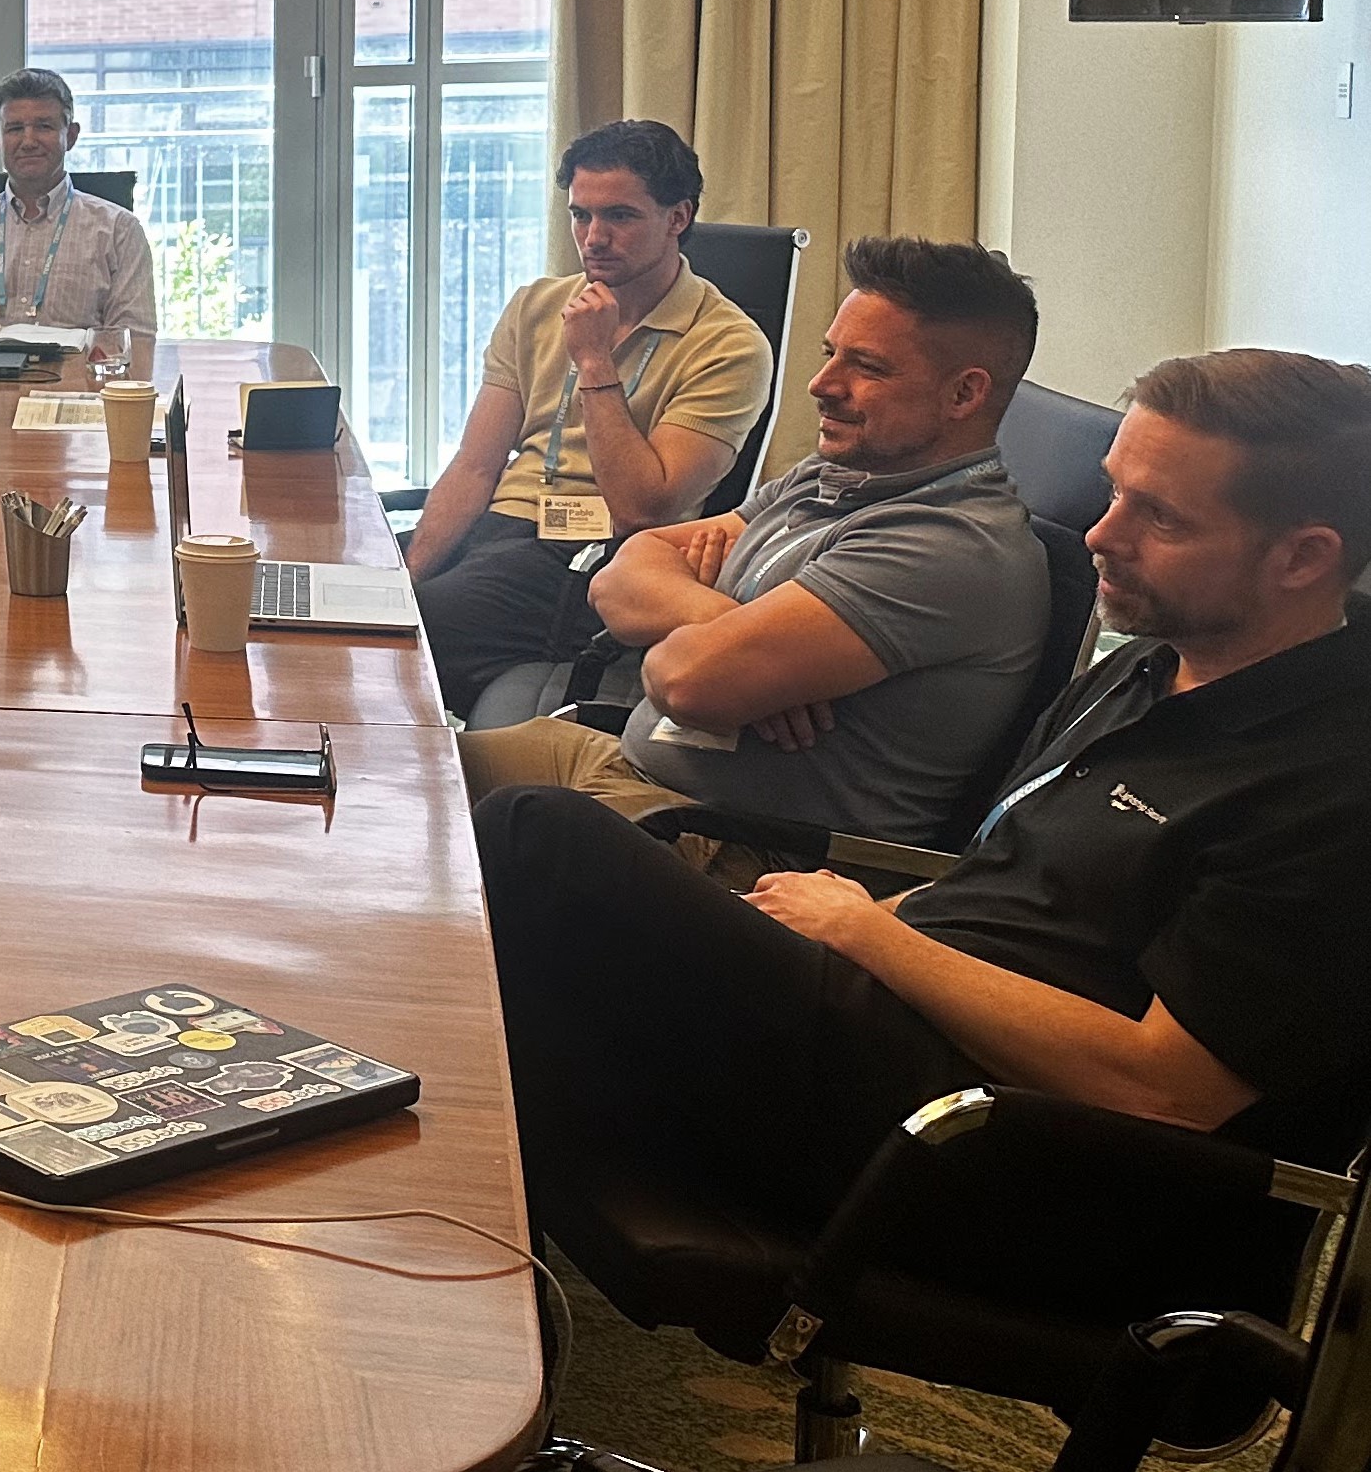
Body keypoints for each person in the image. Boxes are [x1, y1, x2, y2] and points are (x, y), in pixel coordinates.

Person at [480, 349, 1371, 1264]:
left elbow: (1164, 1095)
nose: (1102, 535)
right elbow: (998, 878)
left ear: (1303, 558)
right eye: (1113, 493)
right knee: (509, 999)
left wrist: (869, 934)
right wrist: (801, 933)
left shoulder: (1331, 793)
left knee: (537, 841)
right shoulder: (1154, 665)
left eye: (1161, 517)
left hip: (975, 1139)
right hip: (893, 1025)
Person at [459, 237, 1055, 863]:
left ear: (965, 394)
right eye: (830, 355)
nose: (822, 384)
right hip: (636, 770)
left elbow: (685, 681)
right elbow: (622, 575)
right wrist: (731, 625)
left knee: (475, 850)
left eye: (868, 367)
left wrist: (709, 636)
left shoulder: (948, 544)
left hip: (732, 845)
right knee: (397, 770)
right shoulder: (832, 475)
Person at [406, 119, 778, 715]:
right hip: (500, 532)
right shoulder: (535, 306)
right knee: (355, 601)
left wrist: (594, 358)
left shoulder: (730, 346)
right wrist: (409, 573)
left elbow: (641, 508)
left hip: (593, 555)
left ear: (677, 218)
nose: (594, 237)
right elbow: (476, 467)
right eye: (581, 216)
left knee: (398, 644)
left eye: (620, 217)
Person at [0, 68, 157, 337]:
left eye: (44, 127)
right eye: (15, 129)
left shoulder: (119, 230)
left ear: (70, 136)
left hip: (77, 379)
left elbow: (133, 340)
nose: (28, 141)